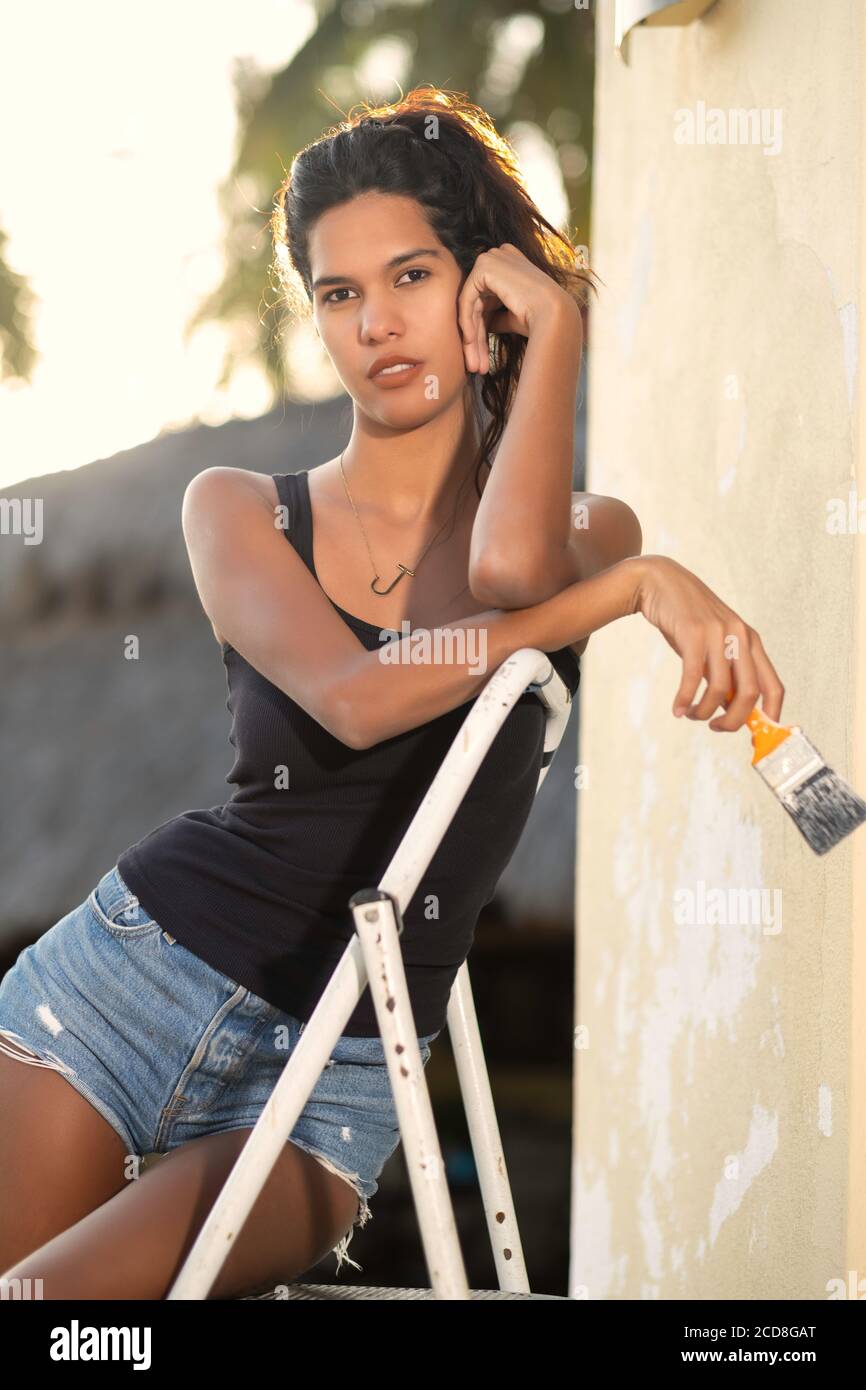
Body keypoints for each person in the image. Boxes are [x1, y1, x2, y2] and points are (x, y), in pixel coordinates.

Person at [0, 87, 784, 1301]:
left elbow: (510, 570)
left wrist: (559, 331)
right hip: (129, 980)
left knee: (63, 1313)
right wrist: (632, 591)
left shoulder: (588, 531)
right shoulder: (237, 507)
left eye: (411, 276)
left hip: (344, 1067)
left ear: (483, 290)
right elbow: (360, 700)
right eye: (337, 292)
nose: (375, 324)